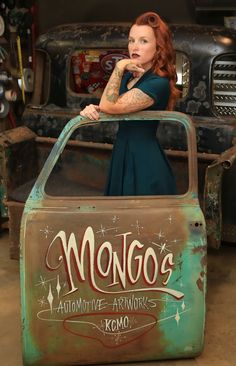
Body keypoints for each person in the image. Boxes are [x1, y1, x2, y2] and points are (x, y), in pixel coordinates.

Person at [80, 11, 180, 196]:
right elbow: (109, 105)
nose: (135, 46)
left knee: (140, 221)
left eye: (143, 41)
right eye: (131, 40)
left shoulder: (158, 83)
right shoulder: (128, 77)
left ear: (158, 47)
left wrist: (118, 66)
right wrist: (93, 109)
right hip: (122, 153)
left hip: (144, 159)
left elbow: (112, 105)